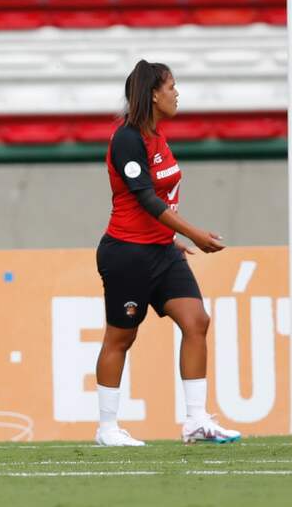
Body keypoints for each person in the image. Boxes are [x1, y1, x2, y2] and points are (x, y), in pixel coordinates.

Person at [95, 60, 240, 446]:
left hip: (161, 251)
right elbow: (142, 197)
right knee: (120, 338)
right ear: (152, 94)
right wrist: (195, 233)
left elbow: (159, 199)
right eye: (172, 86)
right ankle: (107, 427)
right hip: (126, 253)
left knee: (196, 321)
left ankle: (195, 420)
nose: (177, 94)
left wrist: (174, 240)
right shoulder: (127, 138)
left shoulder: (157, 136)